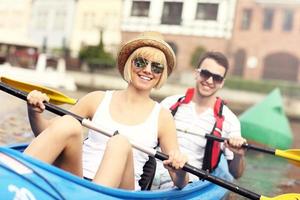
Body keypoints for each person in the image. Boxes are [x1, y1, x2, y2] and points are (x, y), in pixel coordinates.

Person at [24, 31, 189, 191]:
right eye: (140, 62)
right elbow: (48, 134)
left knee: (120, 142)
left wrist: (179, 169)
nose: (147, 70)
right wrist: (34, 111)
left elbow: (180, 182)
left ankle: (92, 197)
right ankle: (14, 177)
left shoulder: (163, 117)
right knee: (68, 123)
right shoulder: (96, 98)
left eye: (156, 67)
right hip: (78, 180)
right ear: (130, 64)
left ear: (161, 75)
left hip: (121, 193)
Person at [155, 51, 246, 189]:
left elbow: (236, 174)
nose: (209, 81)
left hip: (188, 182)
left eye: (216, 78)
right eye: (205, 73)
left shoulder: (230, 121)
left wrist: (238, 155)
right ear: (196, 73)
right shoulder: (169, 103)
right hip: (152, 168)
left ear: (222, 83)